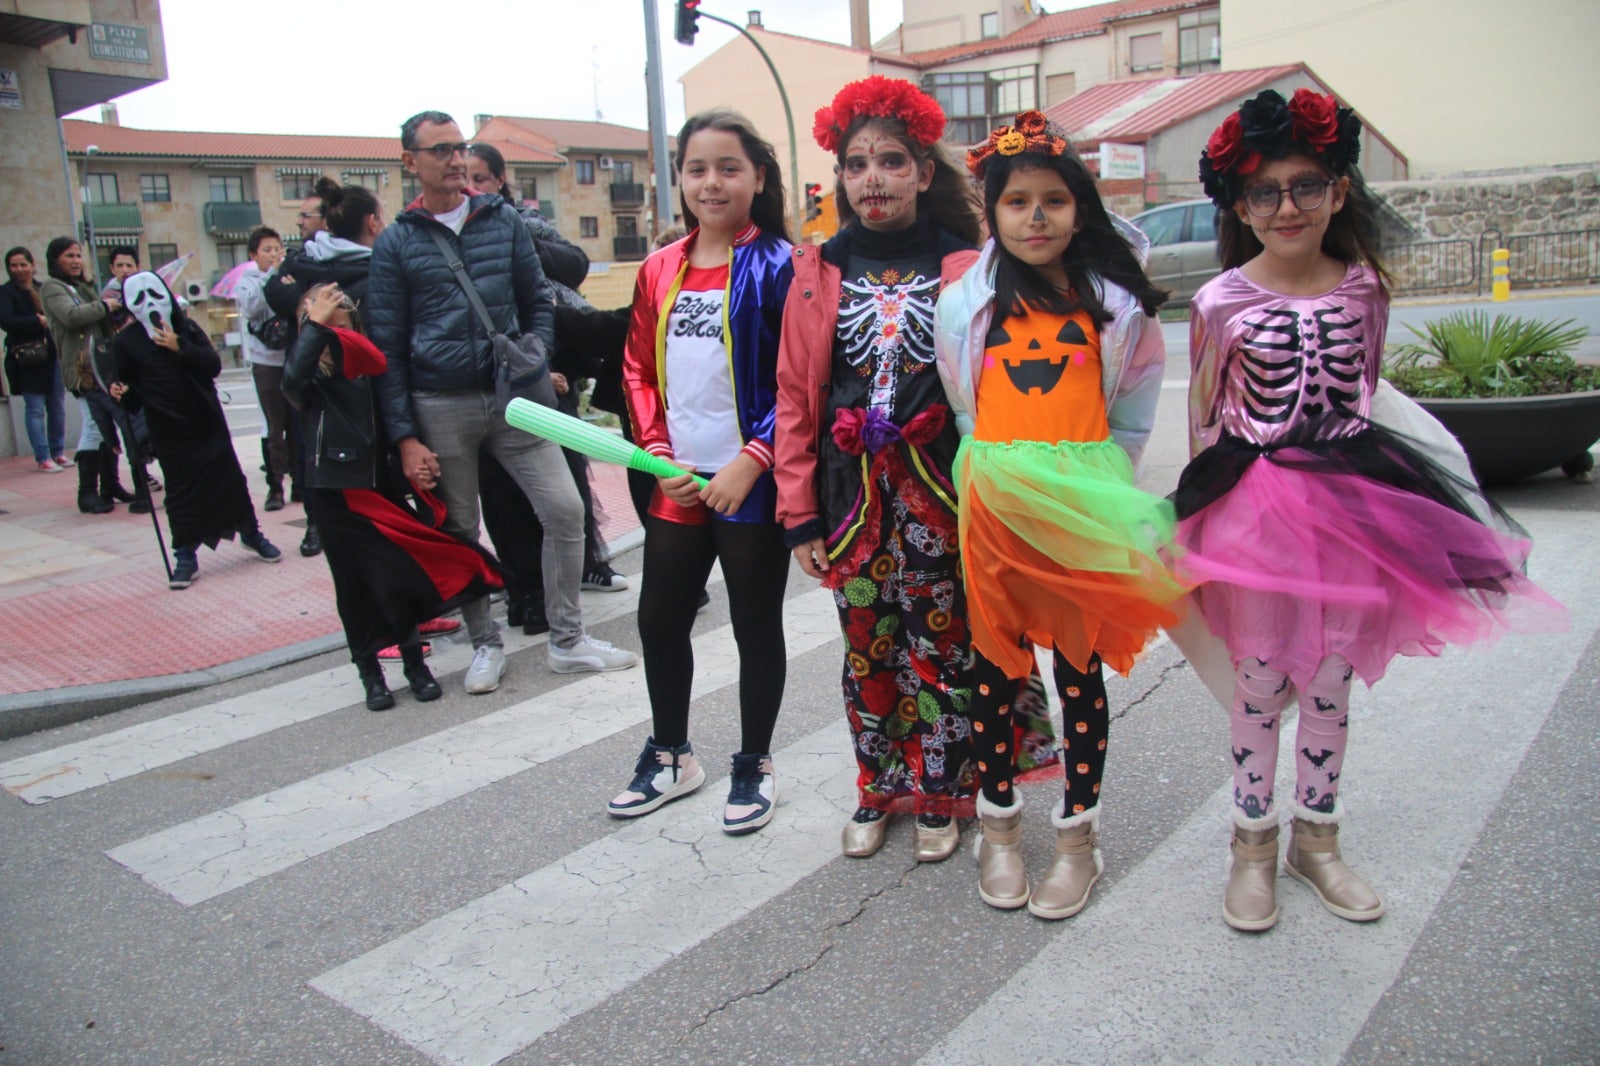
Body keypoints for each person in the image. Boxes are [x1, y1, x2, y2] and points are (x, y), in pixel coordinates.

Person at [1174, 89, 1567, 932]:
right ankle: (1251, 846)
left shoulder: (1364, 290)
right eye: (1266, 192)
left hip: (1354, 510)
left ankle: (1318, 842)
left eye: (1305, 186)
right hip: (1252, 515)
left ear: (1339, 192)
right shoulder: (1217, 304)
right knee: (1257, 683)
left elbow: (1366, 395)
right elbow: (1206, 419)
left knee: (1329, 683)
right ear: (1241, 206)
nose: (1287, 206)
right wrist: (1196, 535)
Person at [776, 76, 1054, 863]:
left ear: (925, 173)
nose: (873, 179)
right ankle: (879, 785)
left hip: (944, 492)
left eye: (892, 161)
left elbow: (1007, 384)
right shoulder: (813, 271)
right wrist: (798, 513)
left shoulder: (973, 267)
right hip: (851, 501)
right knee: (867, 642)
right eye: (857, 163)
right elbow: (795, 398)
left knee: (944, 641)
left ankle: (945, 788)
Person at [934, 110, 1184, 918]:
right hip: (997, 501)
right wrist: (999, 475)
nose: (1035, 218)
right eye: (1017, 204)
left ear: (1080, 208)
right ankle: (997, 829)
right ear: (992, 213)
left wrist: (1101, 491)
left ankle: (1080, 836)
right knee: (995, 670)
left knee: (1078, 675)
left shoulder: (1113, 306)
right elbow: (963, 404)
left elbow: (1132, 416)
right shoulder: (965, 305)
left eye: (1052, 201)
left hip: (1080, 502)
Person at [367, 109, 637, 694]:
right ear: (410, 162)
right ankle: (484, 643)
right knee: (461, 526)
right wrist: (405, 437)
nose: (454, 159)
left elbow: (536, 298)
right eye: (439, 150)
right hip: (440, 402)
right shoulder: (396, 242)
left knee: (565, 511)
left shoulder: (504, 220)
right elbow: (385, 345)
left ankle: (568, 639)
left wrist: (536, 351)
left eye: (459, 147)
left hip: (514, 398)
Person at [611, 110, 792, 834]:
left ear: (758, 177)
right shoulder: (659, 268)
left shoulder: (784, 266)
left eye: (728, 168)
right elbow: (637, 369)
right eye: (697, 168)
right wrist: (658, 456)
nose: (711, 182)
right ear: (678, 178)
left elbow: (799, 381)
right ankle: (671, 755)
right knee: (658, 620)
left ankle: (754, 763)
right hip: (676, 482)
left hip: (751, 483)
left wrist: (754, 461)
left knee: (755, 625)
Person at [284, 282, 505, 709]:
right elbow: (291, 384)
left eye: (344, 325)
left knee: (395, 581)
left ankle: (414, 666)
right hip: (334, 494)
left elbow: (394, 421)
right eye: (328, 327)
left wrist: (413, 469)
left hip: (379, 489)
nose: (339, 334)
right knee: (352, 589)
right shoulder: (309, 375)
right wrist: (314, 328)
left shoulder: (370, 368)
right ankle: (370, 674)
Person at [466, 144, 630, 601]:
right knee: (499, 488)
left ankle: (587, 564)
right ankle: (523, 585)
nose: (472, 187)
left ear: (500, 181)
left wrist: (513, 234)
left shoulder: (525, 224)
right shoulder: (449, 235)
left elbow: (572, 268)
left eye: (481, 178)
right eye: (467, 178)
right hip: (484, 375)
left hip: (546, 366)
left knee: (569, 471)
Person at [112, 271, 282, 588]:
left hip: (206, 422)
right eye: (139, 298)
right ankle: (185, 555)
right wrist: (121, 392)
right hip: (168, 432)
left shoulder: (187, 328)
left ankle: (251, 533)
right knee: (181, 492)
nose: (149, 303)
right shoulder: (126, 343)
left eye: (154, 293)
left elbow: (211, 366)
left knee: (229, 480)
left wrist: (181, 347)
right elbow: (131, 392)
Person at [267, 178, 389, 559]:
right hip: (351, 412)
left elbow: (281, 293)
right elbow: (276, 294)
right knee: (366, 536)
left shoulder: (306, 266)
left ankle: (316, 526)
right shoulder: (375, 277)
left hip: (333, 416)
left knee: (360, 537)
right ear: (372, 222)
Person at [39, 236, 125, 514]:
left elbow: (100, 321)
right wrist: (104, 306)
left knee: (107, 426)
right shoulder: (53, 288)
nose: (76, 261)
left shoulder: (82, 286)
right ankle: (86, 492)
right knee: (92, 425)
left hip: (100, 366)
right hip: (81, 369)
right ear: (55, 260)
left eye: (78, 256)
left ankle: (110, 485)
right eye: (69, 256)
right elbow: (71, 316)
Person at [235, 226, 294, 512]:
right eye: (266, 250)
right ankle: (275, 486)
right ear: (253, 254)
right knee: (274, 428)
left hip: (291, 359)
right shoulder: (247, 283)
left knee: (296, 425)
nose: (273, 254)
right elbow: (252, 307)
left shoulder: (287, 276)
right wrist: (271, 276)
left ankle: (301, 484)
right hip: (265, 363)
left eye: (276, 248)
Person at [3, 248, 68, 470]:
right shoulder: (6, 293)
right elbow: (7, 321)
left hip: (52, 354)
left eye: (23, 264)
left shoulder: (44, 288)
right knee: (35, 408)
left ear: (33, 265)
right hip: (28, 358)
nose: (19, 269)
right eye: (14, 265)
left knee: (57, 406)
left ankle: (58, 451)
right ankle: (43, 456)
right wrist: (36, 320)